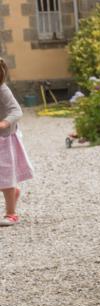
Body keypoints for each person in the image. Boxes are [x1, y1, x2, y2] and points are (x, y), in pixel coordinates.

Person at [0, 58, 33, 227]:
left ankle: (11, 213)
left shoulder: (2, 90)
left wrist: (4, 123)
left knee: (5, 177)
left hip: (3, 140)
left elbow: (16, 110)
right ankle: (12, 192)